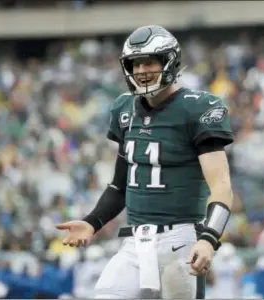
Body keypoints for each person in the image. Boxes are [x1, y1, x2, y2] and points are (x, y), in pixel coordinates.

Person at [56, 25, 234, 299]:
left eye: (149, 61)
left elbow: (221, 186)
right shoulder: (124, 109)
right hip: (135, 242)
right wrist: (92, 223)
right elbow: (120, 186)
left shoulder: (198, 107)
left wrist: (209, 239)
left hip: (181, 239)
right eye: (135, 64)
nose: (141, 70)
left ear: (169, 62)